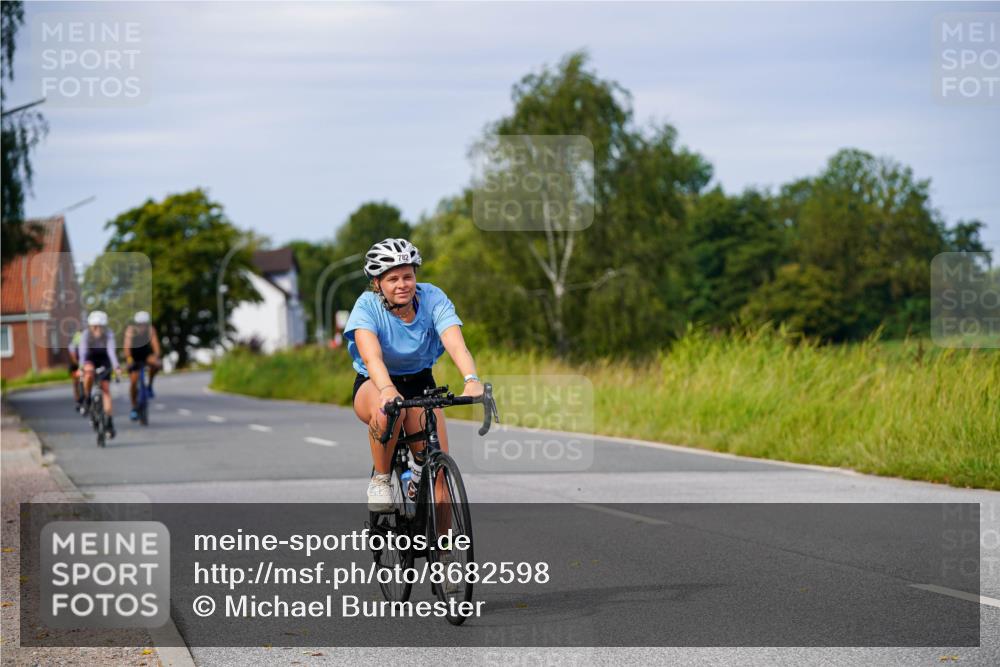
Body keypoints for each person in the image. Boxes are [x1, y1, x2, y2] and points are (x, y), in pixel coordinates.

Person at [344, 238, 484, 512]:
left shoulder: (432, 298)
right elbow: (372, 358)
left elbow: (456, 344)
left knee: (439, 475)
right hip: (375, 383)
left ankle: (441, 540)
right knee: (389, 412)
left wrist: (471, 379)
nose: (402, 285)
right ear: (377, 283)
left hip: (419, 381)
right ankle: (381, 479)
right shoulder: (366, 306)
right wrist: (387, 389)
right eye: (393, 279)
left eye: (407, 276)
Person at [79, 310, 122, 438]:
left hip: (104, 360)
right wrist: (81, 368)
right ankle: (87, 398)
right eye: (95, 326)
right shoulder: (86, 335)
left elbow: (111, 352)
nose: (97, 329)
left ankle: (109, 422)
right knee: (88, 373)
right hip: (90, 359)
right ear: (90, 326)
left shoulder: (108, 334)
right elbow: (83, 353)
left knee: (106, 389)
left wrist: (116, 367)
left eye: (100, 326)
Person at [123, 310, 162, 421]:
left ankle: (150, 385)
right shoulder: (131, 330)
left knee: (156, 364)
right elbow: (127, 347)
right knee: (134, 381)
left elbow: (156, 345)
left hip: (145, 355)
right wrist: (129, 359)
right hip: (133, 356)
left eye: (144, 324)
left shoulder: (151, 330)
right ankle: (134, 407)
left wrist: (156, 356)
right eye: (140, 324)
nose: (142, 327)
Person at [68, 329, 84, 412]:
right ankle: (78, 401)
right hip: (75, 364)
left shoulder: (86, 342)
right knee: (75, 383)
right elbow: (73, 357)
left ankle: (86, 397)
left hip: (83, 362)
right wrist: (79, 367)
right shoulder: (72, 345)